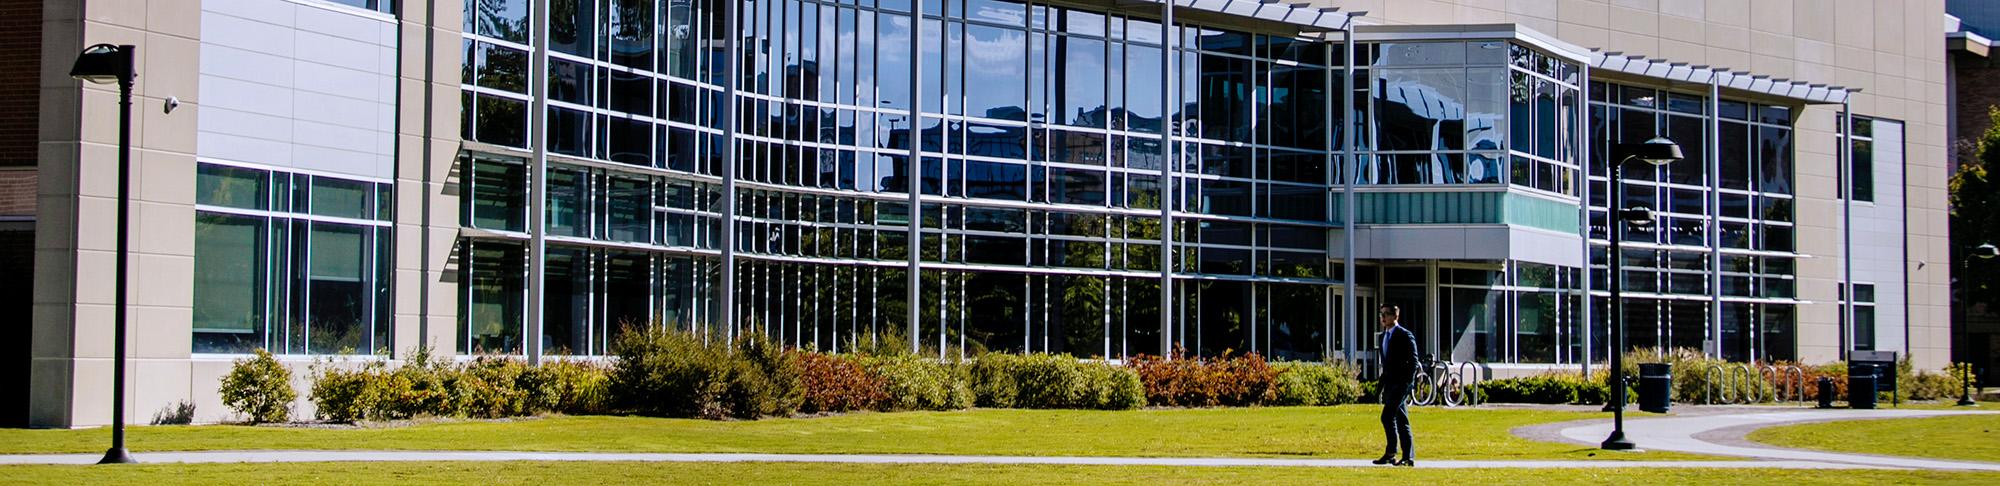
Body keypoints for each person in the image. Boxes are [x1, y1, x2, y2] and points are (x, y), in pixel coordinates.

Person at [1373, 304, 1418, 467]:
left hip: (1402, 384)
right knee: (1401, 419)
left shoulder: (1404, 335)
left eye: (1387, 314)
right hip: (1390, 384)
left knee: (1387, 416)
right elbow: (1386, 365)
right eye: (1381, 314)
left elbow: (1414, 361)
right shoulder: (1382, 337)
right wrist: (1379, 388)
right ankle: (1408, 456)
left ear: (1395, 316)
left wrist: (1408, 382)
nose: (1383, 317)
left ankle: (1391, 451)